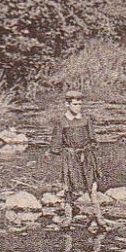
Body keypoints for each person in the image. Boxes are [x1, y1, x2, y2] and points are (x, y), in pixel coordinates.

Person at [48, 90, 108, 230]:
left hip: (87, 157)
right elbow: (55, 145)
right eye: (75, 104)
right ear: (67, 104)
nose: (78, 106)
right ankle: (68, 218)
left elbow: (94, 140)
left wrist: (87, 150)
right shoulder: (61, 122)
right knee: (68, 187)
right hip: (70, 158)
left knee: (92, 187)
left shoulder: (86, 120)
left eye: (80, 104)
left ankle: (99, 218)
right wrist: (65, 152)